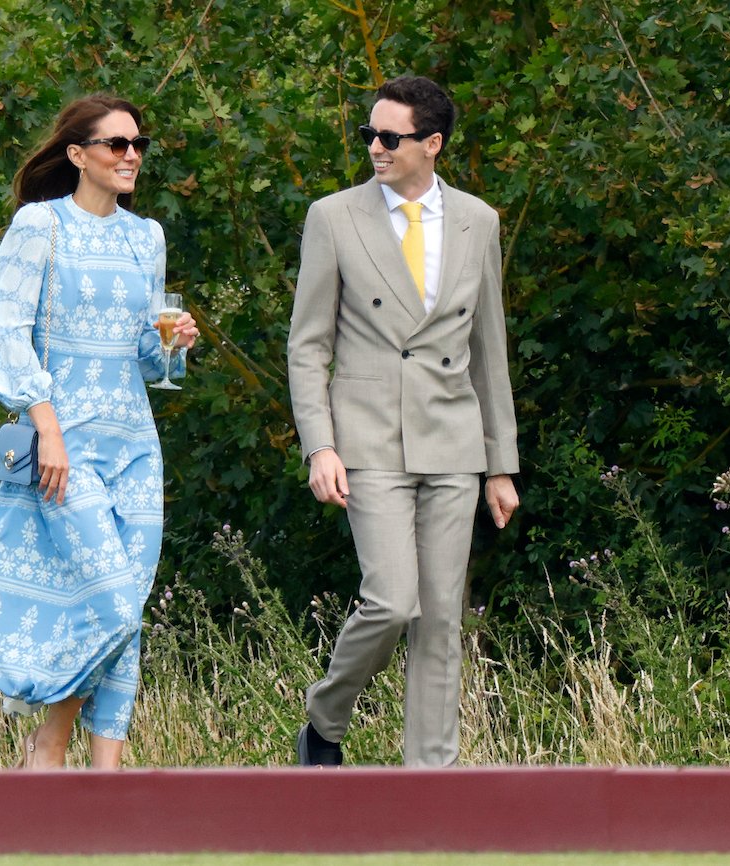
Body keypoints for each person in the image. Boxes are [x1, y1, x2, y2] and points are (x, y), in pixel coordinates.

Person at [0, 94, 198, 770]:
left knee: (130, 609)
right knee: (114, 606)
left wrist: (176, 343)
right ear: (76, 154)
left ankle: (107, 783)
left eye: (138, 145)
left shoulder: (143, 236)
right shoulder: (40, 226)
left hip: (134, 448)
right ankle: (48, 744)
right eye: (116, 145)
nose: (131, 157)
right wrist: (47, 428)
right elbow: (3, 333)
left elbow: (148, 361)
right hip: (65, 445)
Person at [287, 75, 520, 767]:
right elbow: (307, 345)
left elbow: (489, 348)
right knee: (391, 603)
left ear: (432, 144)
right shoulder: (333, 216)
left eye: (390, 137)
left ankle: (430, 784)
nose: (375, 148)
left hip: (452, 440)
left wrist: (499, 463)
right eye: (369, 134)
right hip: (367, 438)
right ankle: (325, 716)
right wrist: (318, 446)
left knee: (442, 619)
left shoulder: (479, 219)